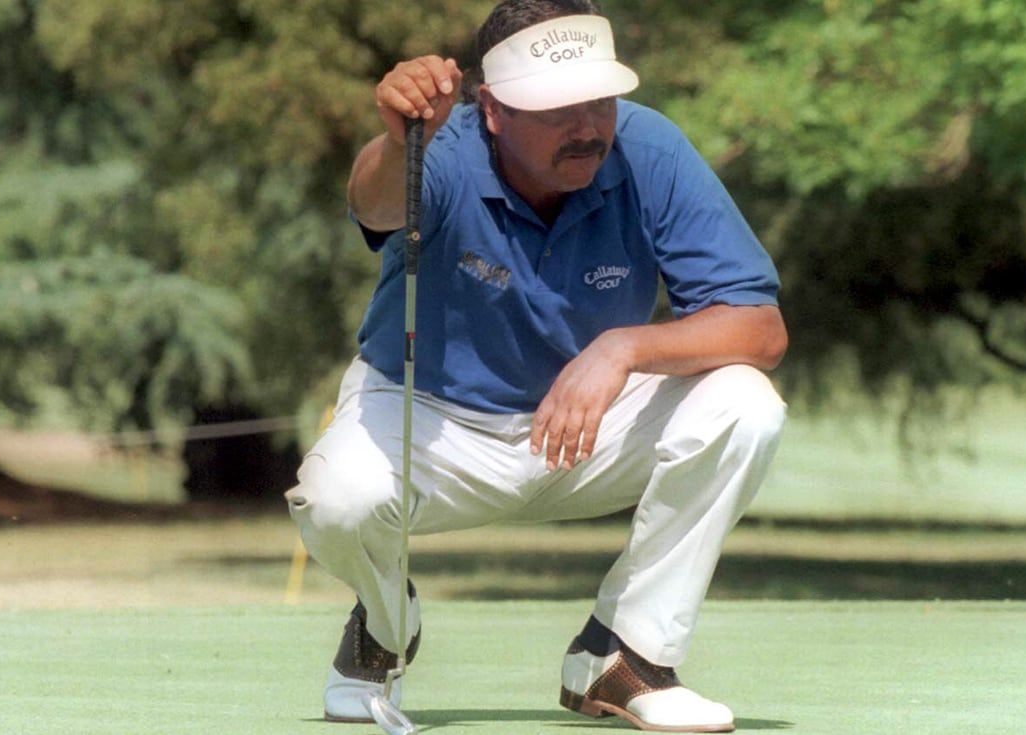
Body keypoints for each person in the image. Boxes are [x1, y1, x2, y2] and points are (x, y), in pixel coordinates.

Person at [285, 0, 788, 731]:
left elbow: (761, 327)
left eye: (600, 100)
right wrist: (400, 143)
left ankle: (625, 657)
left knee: (747, 403)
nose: (587, 127)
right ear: (491, 109)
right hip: (429, 424)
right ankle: (385, 628)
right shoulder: (443, 147)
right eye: (557, 108)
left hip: (586, 429)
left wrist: (622, 348)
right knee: (334, 500)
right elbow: (376, 201)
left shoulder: (651, 150)